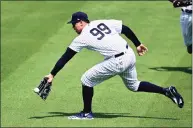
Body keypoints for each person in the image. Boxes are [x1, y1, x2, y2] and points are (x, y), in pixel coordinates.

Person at [45, 12, 184, 120]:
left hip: (118, 61)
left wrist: (52, 74)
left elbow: (66, 56)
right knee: (134, 85)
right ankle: (167, 91)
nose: (73, 27)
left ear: (80, 22)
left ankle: (86, 113)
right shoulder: (102, 22)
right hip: (129, 54)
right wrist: (137, 44)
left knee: (86, 79)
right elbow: (125, 28)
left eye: (73, 24)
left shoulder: (81, 38)